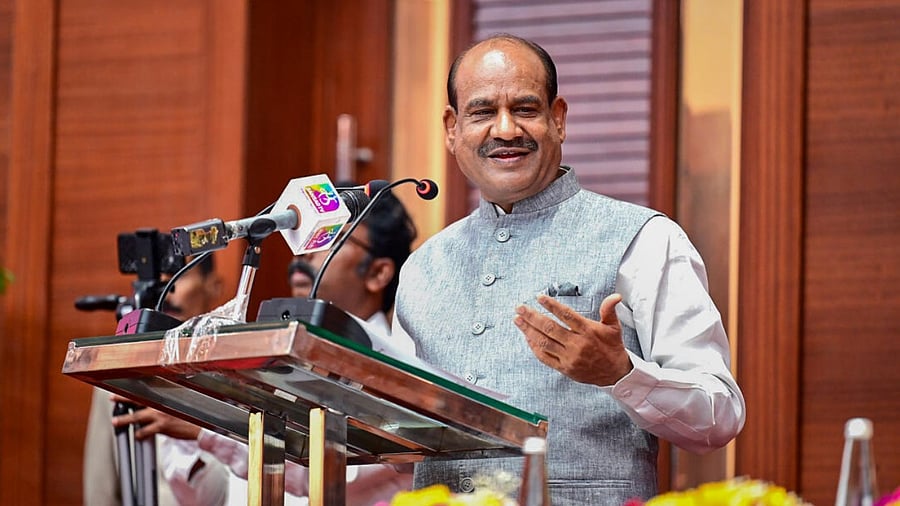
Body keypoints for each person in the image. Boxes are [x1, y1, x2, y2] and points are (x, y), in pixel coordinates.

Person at [390, 34, 746, 505]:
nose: (505, 129)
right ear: (452, 128)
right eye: (481, 112)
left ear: (558, 120)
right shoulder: (422, 269)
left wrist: (621, 373)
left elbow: (718, 417)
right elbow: (392, 435)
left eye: (525, 108)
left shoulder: (643, 239)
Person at [111, 188, 419, 505]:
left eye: (331, 238)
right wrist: (184, 412)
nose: (304, 253)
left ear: (378, 272)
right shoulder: (274, 357)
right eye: (308, 237)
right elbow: (215, 497)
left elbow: (343, 474)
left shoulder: (393, 367)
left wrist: (210, 426)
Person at [84, 253, 230, 506]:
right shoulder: (120, 379)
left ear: (213, 285)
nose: (166, 290)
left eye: (178, 276)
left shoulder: (237, 378)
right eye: (160, 279)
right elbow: (100, 490)